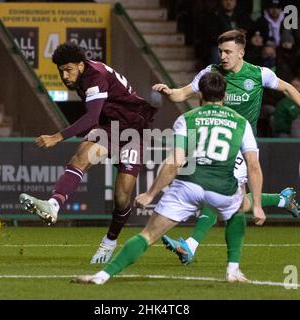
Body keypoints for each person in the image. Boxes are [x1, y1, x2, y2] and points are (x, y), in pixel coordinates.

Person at [75, 72, 266, 285]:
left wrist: (151, 193)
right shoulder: (241, 123)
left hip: (188, 185)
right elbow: (253, 167)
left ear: (200, 94)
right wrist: (257, 205)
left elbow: (175, 163)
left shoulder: (187, 119)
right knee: (237, 211)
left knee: (148, 235)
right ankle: (233, 271)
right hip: (222, 188)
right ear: (225, 94)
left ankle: (101, 276)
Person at [151, 29, 300, 265]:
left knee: (218, 193)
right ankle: (281, 199)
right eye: (221, 51)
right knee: (235, 203)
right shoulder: (211, 73)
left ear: (241, 53)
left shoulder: (258, 74)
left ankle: (190, 246)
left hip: (242, 145)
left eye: (228, 51)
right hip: (219, 145)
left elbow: (288, 89)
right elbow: (182, 94)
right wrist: (170, 92)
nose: (223, 56)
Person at [19, 42, 157, 264]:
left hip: (133, 131)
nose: (64, 76)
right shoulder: (84, 77)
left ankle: (110, 241)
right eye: (60, 71)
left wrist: (57, 137)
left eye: (68, 70)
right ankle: (53, 205)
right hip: (108, 128)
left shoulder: (95, 77)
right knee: (81, 156)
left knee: (122, 197)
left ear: (81, 66)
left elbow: (91, 118)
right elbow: (98, 119)